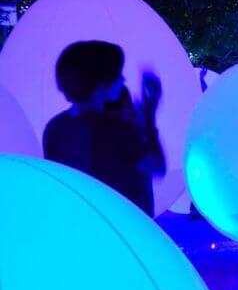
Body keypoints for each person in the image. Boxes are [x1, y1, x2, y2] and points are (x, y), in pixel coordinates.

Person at [43, 40, 164, 215]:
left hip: (80, 227)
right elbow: (156, 165)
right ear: (101, 84)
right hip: (125, 228)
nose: (123, 79)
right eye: (117, 75)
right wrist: (150, 115)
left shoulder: (55, 128)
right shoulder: (119, 131)